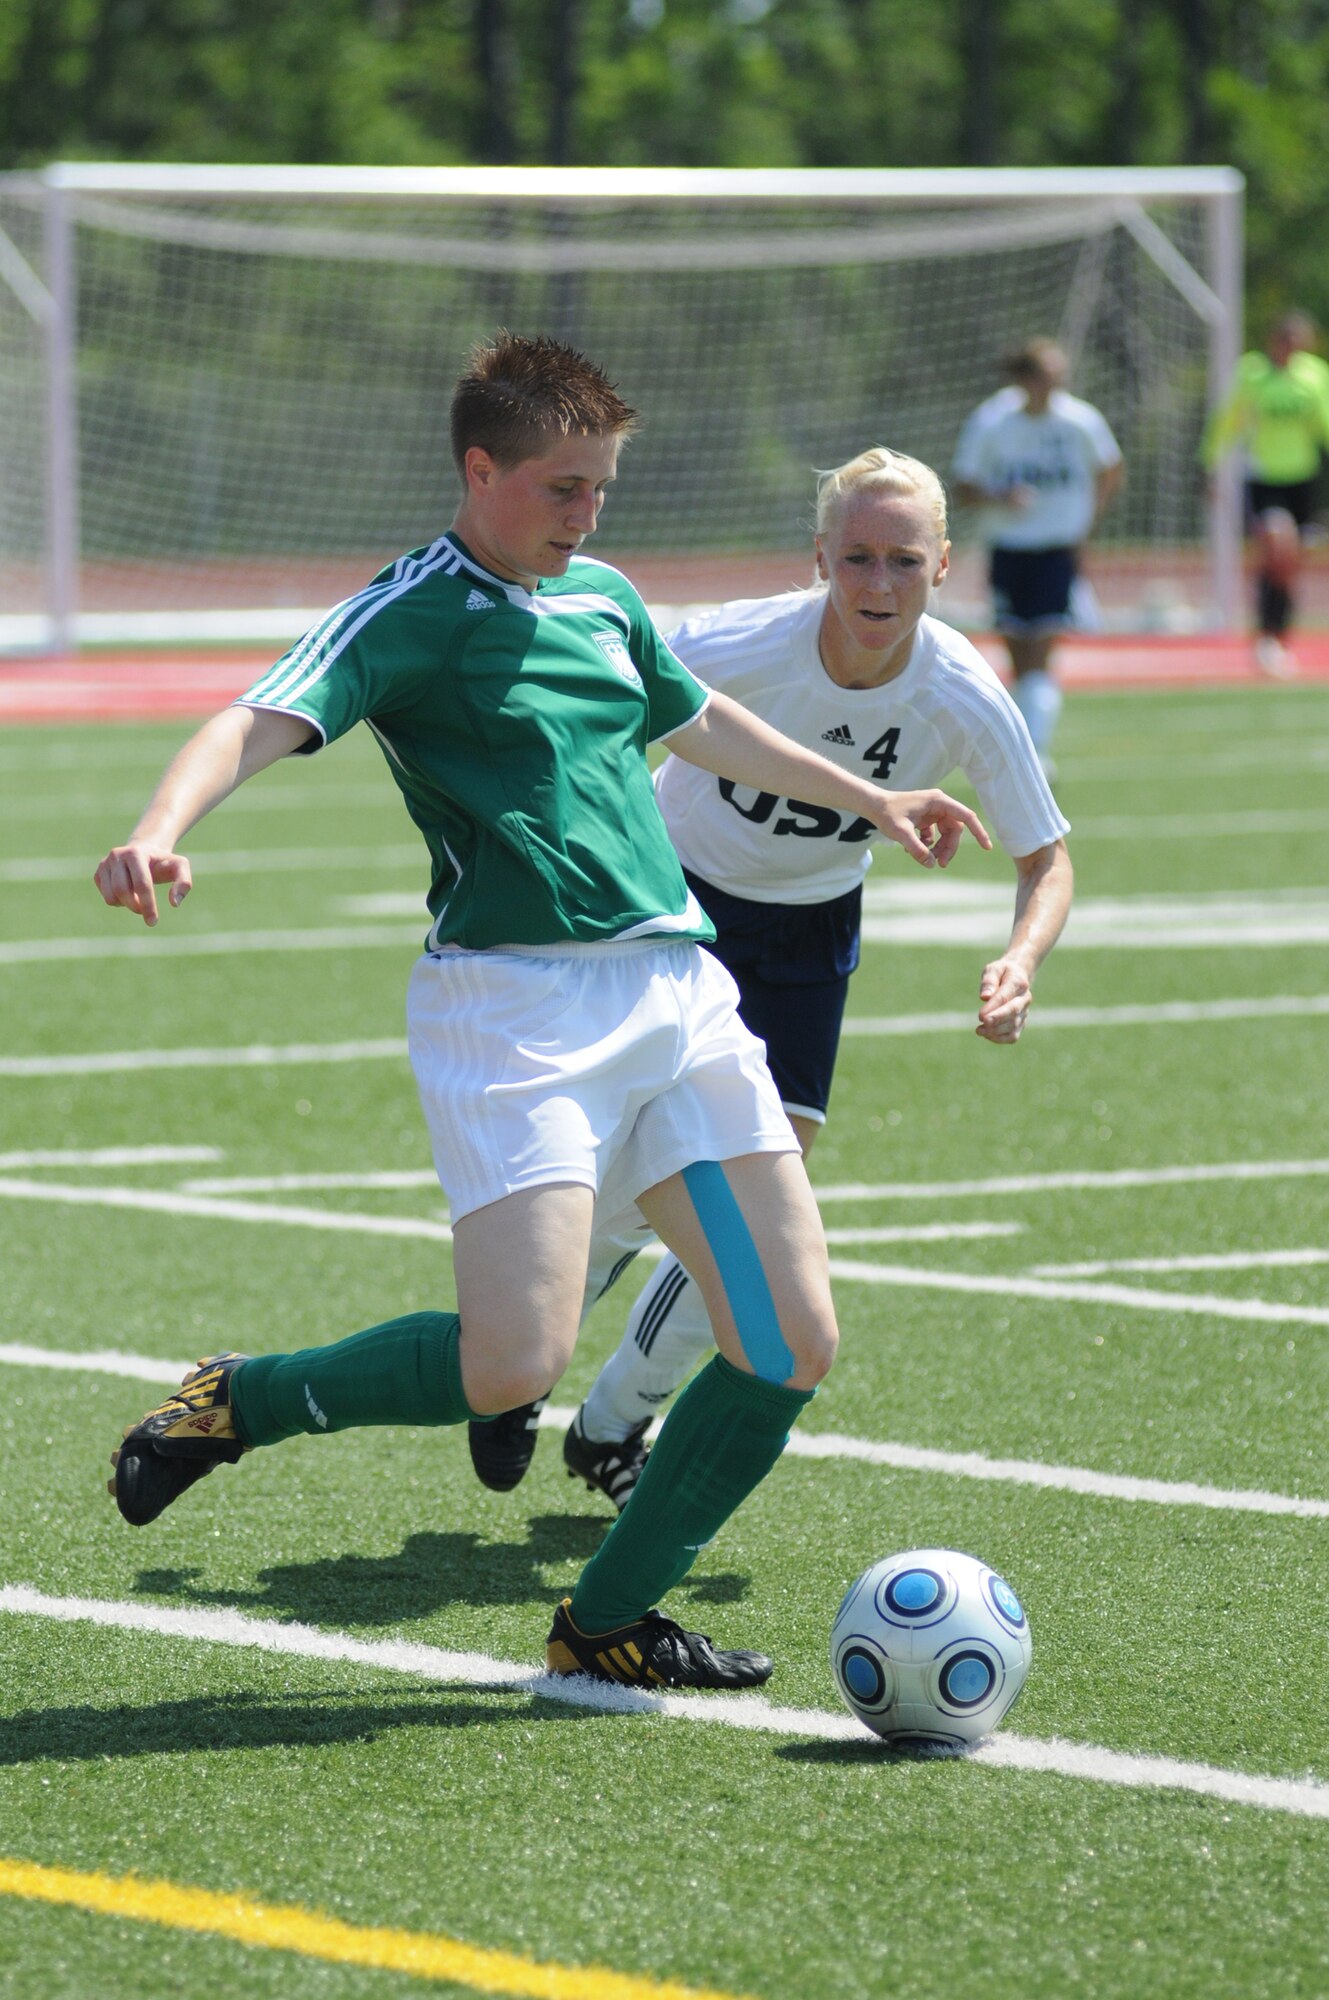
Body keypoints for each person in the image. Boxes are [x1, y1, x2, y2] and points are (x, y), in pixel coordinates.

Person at [94, 333, 990, 1693]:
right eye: (564, 488)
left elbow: (697, 720)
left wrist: (870, 798)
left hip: (678, 1004)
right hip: (516, 1016)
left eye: (602, 489)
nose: (589, 514)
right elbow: (251, 720)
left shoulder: (606, 600)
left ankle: (610, 1617)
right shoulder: (409, 610)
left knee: (787, 1336)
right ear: (480, 469)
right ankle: (245, 1399)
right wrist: (157, 827)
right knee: (512, 1365)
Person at [470, 445, 1073, 1512]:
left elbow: (1047, 856)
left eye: (903, 561)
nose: (877, 585)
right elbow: (602, 671)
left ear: (943, 567)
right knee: (624, 1186)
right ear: (819, 559)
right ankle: (524, 1362)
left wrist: (1019, 960)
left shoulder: (964, 694)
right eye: (856, 559)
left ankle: (613, 1419)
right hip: (673, 912)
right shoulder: (745, 641)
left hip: (808, 938)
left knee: (758, 1208)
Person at [952, 339, 1123, 777]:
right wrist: (1000, 496)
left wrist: (1086, 522)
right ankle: (1024, 739)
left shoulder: (1080, 420)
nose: (1054, 386)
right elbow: (964, 485)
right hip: (1009, 548)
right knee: (1017, 653)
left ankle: (1035, 751)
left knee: (1043, 647)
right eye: (1045, 377)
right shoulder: (993, 421)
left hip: (1055, 549)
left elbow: (1110, 467)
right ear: (1024, 379)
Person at [1202, 310, 1329, 678]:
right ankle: (1266, 637)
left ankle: (1277, 635)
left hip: (1302, 479)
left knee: (1287, 566)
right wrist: (1209, 462)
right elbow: (1228, 421)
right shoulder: (1252, 374)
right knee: (1278, 544)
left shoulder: (1314, 376)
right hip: (1264, 477)